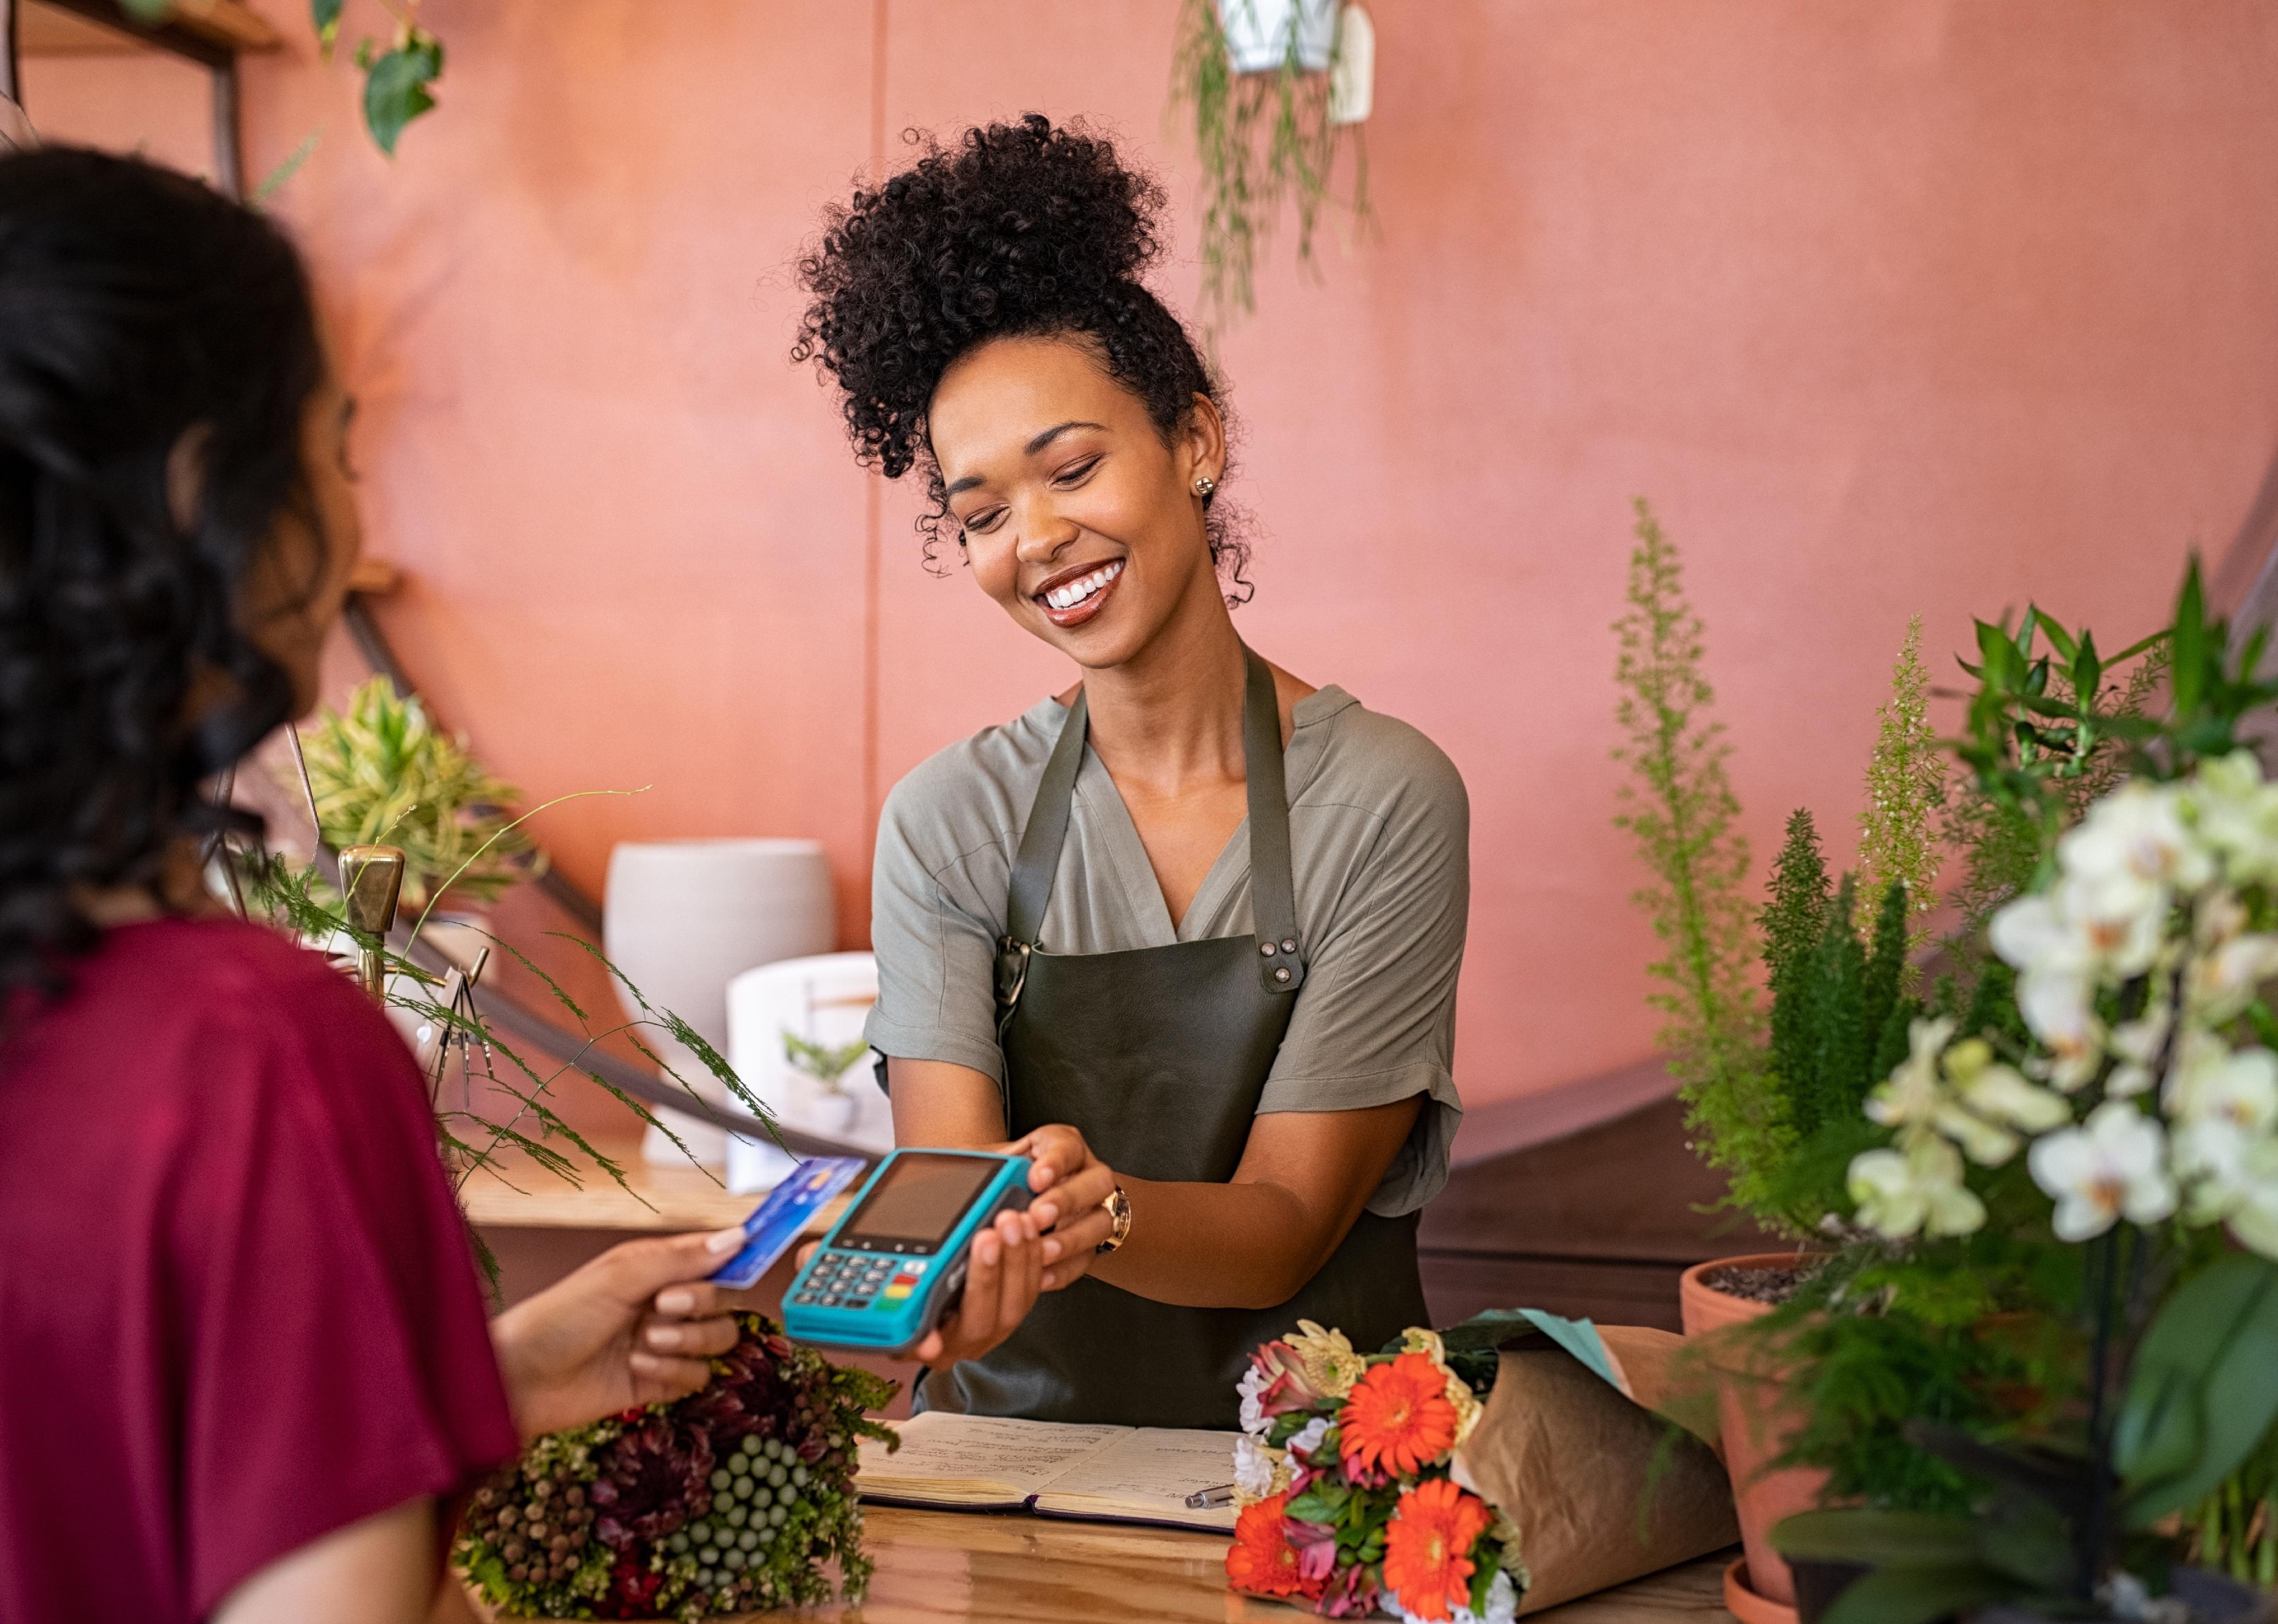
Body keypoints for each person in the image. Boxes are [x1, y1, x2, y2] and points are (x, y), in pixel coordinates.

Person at [0, 149, 751, 1624]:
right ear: (214, 495)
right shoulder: (256, 1057)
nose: (348, 521)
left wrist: (478, 1380)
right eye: (337, 453)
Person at [794, 115, 1469, 1427]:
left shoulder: (1386, 797)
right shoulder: (949, 821)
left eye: (1074, 467)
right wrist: (942, 1271)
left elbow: (1286, 1222)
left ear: (1196, 443)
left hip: (1320, 1477)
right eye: (981, 514)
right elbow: (947, 1191)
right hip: (1015, 1481)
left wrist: (1086, 1206)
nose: (1037, 539)